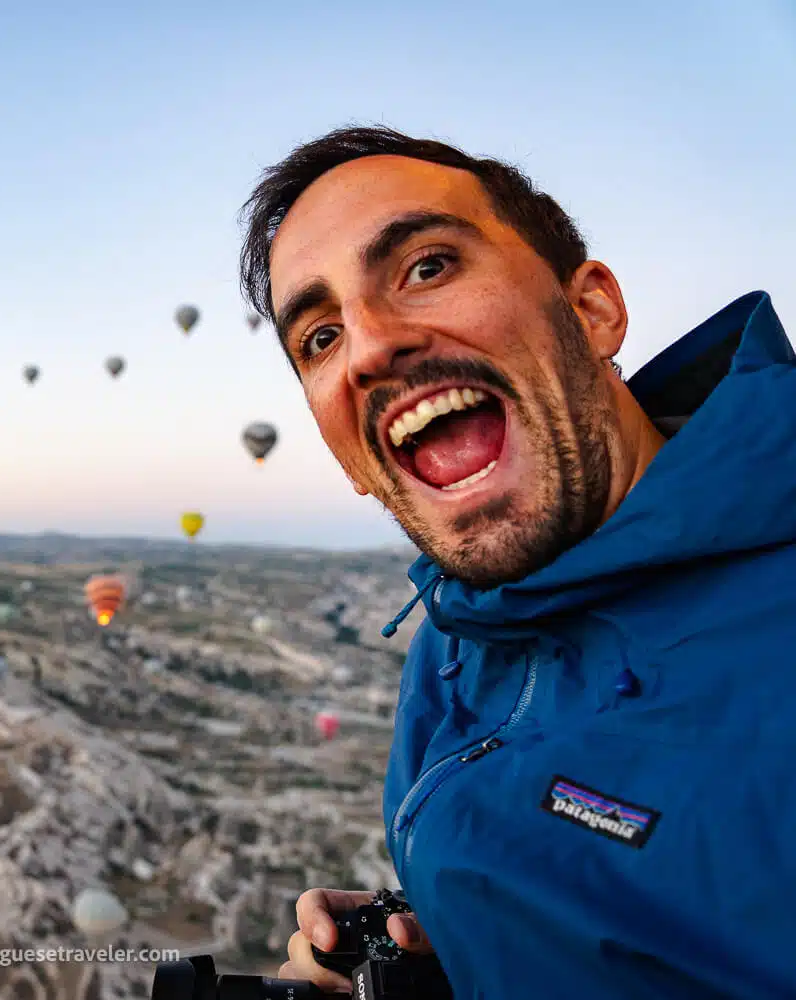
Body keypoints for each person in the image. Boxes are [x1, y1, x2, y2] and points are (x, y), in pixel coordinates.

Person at [240, 126, 795, 997]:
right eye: (319, 336)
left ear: (592, 311)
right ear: (348, 457)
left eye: (427, 267)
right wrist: (447, 956)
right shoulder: (456, 633)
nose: (371, 347)